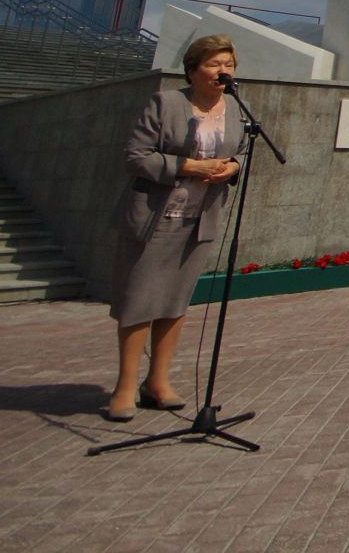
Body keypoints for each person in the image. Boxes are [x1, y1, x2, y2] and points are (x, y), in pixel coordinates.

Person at [103, 35, 246, 422]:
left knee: (174, 302)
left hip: (199, 219)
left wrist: (233, 167)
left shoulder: (234, 108)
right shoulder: (166, 103)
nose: (224, 71)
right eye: (216, 64)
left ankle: (158, 382)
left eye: (229, 64)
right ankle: (125, 386)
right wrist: (188, 167)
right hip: (154, 218)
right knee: (138, 302)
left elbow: (241, 151)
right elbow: (136, 155)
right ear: (193, 69)